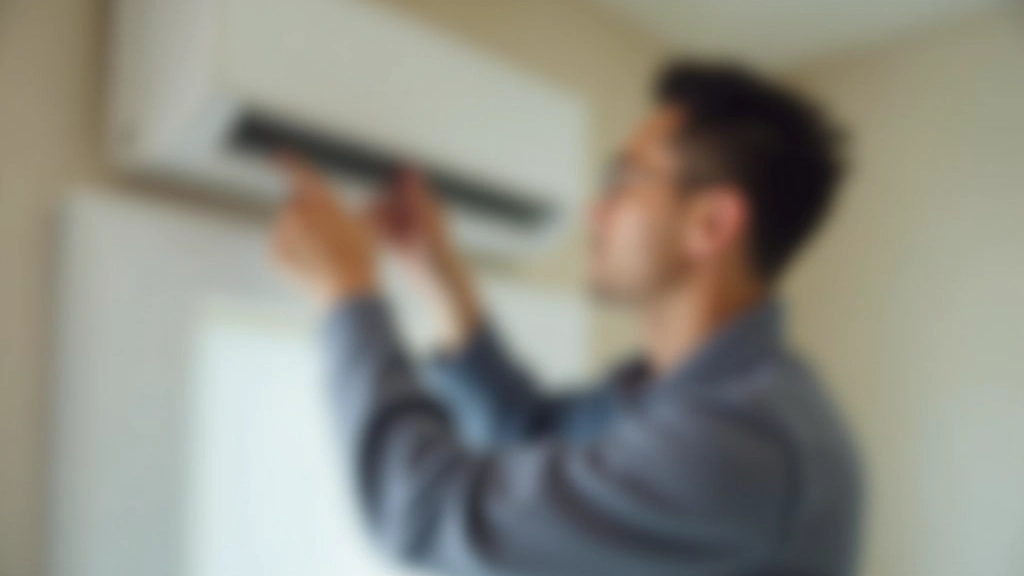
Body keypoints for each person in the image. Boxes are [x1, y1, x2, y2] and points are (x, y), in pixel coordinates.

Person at [270, 62, 860, 576]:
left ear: (710, 223)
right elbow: (531, 429)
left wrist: (349, 295)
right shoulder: (682, 397)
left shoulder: (746, 444)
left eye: (623, 180)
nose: (594, 210)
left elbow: (426, 511)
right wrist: (438, 280)